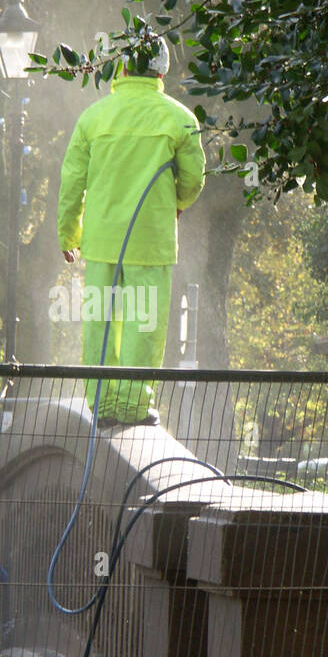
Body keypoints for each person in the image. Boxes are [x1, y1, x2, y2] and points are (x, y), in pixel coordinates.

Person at [57, 36, 205, 427]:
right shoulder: (179, 118)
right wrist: (176, 206)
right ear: (160, 71)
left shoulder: (93, 118)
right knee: (145, 326)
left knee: (101, 323)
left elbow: (72, 183)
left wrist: (69, 235)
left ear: (119, 68)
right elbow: (193, 180)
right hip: (151, 241)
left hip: (101, 242)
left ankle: (102, 404)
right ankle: (133, 406)